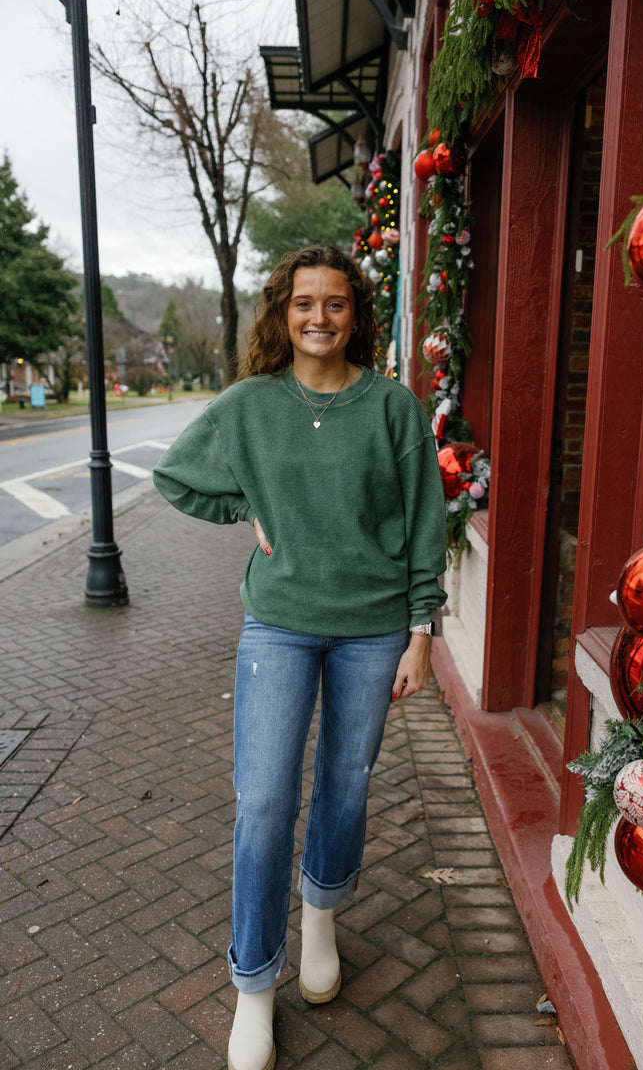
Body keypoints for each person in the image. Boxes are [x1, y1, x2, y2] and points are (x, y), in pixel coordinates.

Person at [153, 245, 447, 1070]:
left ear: (357, 315)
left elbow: (425, 522)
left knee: (346, 784)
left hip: (374, 629)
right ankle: (254, 985)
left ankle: (320, 917)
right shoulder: (249, 404)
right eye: (304, 303)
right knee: (263, 802)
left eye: (336, 303)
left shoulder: (392, 407)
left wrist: (422, 632)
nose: (320, 317)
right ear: (283, 314)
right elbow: (177, 478)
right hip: (278, 625)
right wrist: (247, 507)